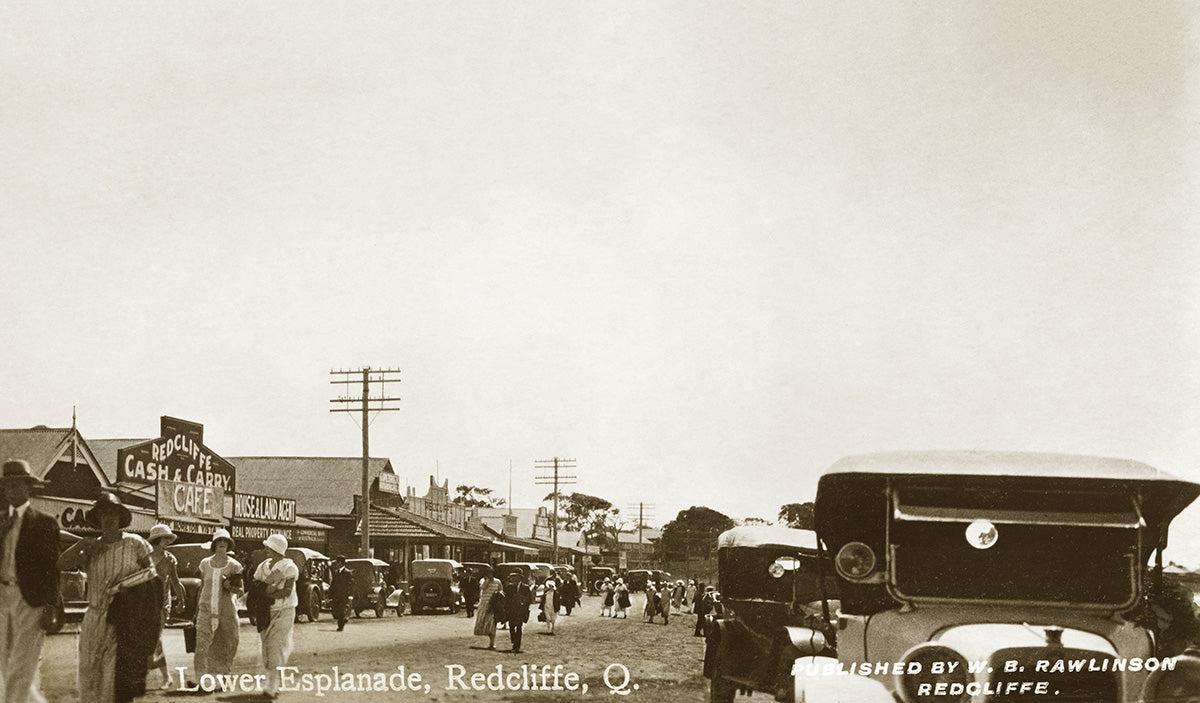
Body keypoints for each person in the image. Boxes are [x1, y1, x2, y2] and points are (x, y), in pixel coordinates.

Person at [58, 492, 159, 703]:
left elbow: (151, 578)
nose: (109, 519)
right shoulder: (92, 547)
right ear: (98, 519)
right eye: (104, 514)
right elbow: (61, 563)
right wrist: (81, 545)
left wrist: (132, 594)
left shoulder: (135, 543)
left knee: (117, 681)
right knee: (90, 676)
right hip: (94, 618)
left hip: (124, 620)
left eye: (113, 513)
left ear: (121, 517)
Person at [0, 459, 60, 703]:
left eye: (17, 485)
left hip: (30, 599)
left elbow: (52, 568)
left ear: (28, 487)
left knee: (22, 664)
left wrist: (50, 605)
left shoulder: (44, 523)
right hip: (2, 596)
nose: (11, 490)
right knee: (5, 662)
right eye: (7, 486)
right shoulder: (1, 521)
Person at [192, 528, 242, 683]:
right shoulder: (205, 564)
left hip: (226, 612)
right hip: (205, 610)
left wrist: (229, 587)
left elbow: (240, 590)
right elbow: (201, 588)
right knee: (201, 645)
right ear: (214, 545)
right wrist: (196, 611)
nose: (222, 544)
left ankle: (221, 677)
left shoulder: (234, 566)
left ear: (228, 545)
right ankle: (200, 679)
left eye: (225, 541)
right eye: (219, 541)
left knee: (227, 643)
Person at [254, 534, 298, 699]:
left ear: (277, 550)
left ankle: (271, 685)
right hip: (265, 611)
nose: (266, 550)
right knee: (266, 646)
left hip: (284, 610)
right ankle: (275, 681)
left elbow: (287, 591)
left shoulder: (289, 567)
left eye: (269, 548)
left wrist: (266, 593)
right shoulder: (263, 566)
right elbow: (256, 585)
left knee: (275, 646)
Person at [145, 524, 185, 690]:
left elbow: (175, 581)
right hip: (145, 603)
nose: (168, 540)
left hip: (162, 604)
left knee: (155, 638)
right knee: (148, 640)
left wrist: (181, 600)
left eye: (169, 538)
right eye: (165, 538)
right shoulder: (144, 557)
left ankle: (165, 676)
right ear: (157, 539)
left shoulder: (170, 559)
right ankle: (155, 675)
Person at [472, 567, 503, 650]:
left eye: (491, 573)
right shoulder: (483, 581)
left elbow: (501, 591)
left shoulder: (497, 581)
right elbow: (481, 588)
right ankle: (491, 640)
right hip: (484, 605)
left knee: (492, 624)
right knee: (485, 624)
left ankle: (492, 643)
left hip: (494, 606)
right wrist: (487, 581)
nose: (490, 575)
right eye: (488, 574)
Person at [502, 573, 533, 653]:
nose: (513, 579)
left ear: (520, 578)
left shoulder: (525, 587)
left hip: (520, 611)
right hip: (512, 610)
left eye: (515, 577)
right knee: (511, 627)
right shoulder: (510, 587)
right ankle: (514, 640)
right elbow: (506, 598)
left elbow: (529, 599)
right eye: (513, 577)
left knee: (519, 627)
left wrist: (523, 603)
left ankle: (517, 645)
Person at [329, 556, 353, 631]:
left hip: (344, 595)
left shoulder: (348, 572)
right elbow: (333, 584)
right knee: (336, 611)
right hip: (336, 595)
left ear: (340, 563)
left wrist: (350, 595)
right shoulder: (337, 572)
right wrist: (330, 594)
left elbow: (351, 585)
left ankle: (340, 626)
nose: (336, 564)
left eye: (337, 562)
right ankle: (345, 619)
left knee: (341, 611)